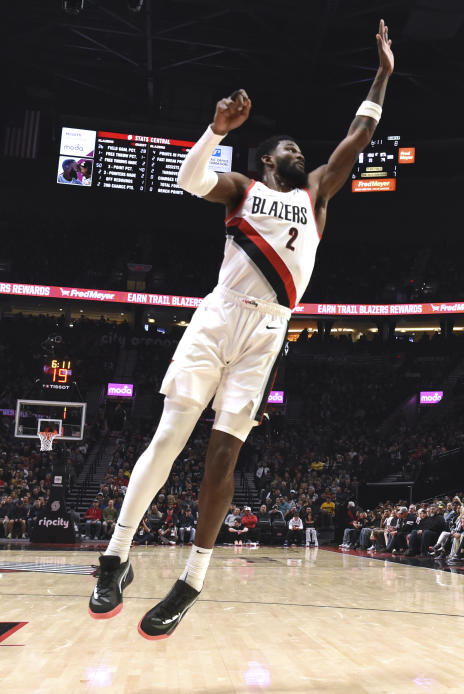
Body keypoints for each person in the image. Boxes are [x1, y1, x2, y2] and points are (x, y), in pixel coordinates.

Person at [88, 18, 395, 639]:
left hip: (269, 331)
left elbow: (358, 137)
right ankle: (115, 556)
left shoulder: (317, 193)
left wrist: (384, 73)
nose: (299, 153)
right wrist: (214, 130)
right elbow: (189, 181)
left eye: (300, 151)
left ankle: (192, 579)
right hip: (219, 314)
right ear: (265, 157)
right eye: (288, 148)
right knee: (170, 436)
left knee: (223, 454)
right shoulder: (243, 188)